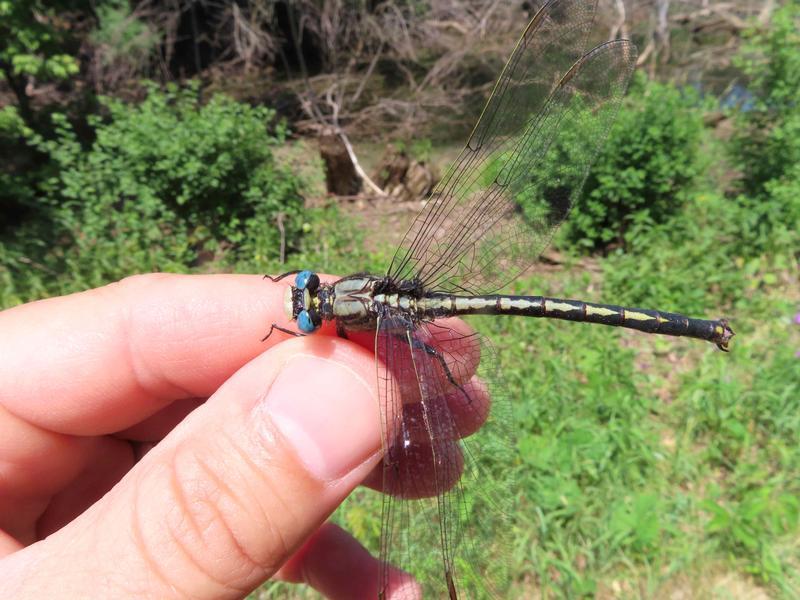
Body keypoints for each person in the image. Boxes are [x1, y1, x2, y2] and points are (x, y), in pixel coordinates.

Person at [0, 273, 428, 599]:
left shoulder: (332, 325)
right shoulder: (363, 301)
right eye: (307, 292)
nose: (307, 296)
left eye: (310, 297)